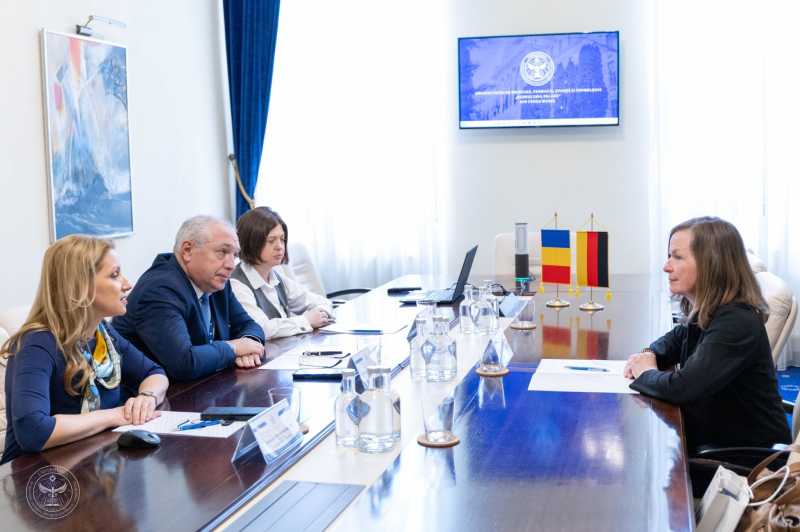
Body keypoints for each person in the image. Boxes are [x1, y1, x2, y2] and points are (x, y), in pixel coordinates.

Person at [625, 217, 790, 454]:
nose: (666, 266)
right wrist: (648, 353)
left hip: (743, 458)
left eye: (677, 257)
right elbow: (675, 339)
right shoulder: (710, 308)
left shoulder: (736, 322)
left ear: (710, 264)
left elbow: (683, 389)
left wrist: (645, 372)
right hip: (715, 439)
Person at [1, 236, 168, 464]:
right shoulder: (36, 344)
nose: (127, 284)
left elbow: (154, 373)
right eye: (115, 275)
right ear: (81, 287)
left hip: (94, 461)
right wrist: (116, 415)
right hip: (35, 475)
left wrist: (146, 398)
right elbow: (33, 431)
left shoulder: (102, 332)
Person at [112, 215, 265, 381]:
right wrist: (234, 348)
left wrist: (249, 345)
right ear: (187, 251)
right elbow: (184, 363)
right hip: (153, 393)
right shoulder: (160, 290)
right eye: (222, 252)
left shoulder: (216, 281)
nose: (230, 265)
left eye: (234, 255)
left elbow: (249, 325)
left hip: (204, 387)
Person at [231, 207, 334, 339]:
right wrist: (306, 320)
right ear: (251, 242)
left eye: (282, 239)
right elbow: (261, 329)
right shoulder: (237, 284)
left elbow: (320, 301)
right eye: (271, 241)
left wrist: (321, 313)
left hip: (286, 346)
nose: (279, 246)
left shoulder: (275, 276)